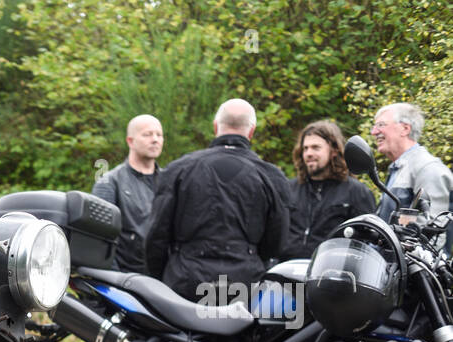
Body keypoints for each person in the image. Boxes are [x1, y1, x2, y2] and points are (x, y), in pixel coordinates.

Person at [145, 99, 289, 302]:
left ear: (215, 127)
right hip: (244, 285)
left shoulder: (178, 170)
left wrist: (162, 279)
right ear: (251, 131)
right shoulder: (271, 176)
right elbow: (276, 242)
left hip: (185, 282)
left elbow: (156, 236)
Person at [282, 120, 375, 260]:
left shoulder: (357, 192)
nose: (308, 153)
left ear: (334, 151)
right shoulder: (289, 189)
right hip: (286, 271)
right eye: (305, 148)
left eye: (315, 147)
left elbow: (367, 245)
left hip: (329, 273)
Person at [92, 114, 164, 272]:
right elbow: (100, 239)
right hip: (127, 278)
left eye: (159, 135)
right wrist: (118, 281)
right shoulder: (110, 182)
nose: (155, 139)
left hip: (165, 278)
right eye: (147, 134)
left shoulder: (169, 182)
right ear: (130, 141)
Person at [370, 102, 453, 232]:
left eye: (381, 125)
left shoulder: (427, 168)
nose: (374, 132)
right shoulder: (399, 168)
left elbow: (433, 233)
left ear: (405, 129)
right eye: (374, 126)